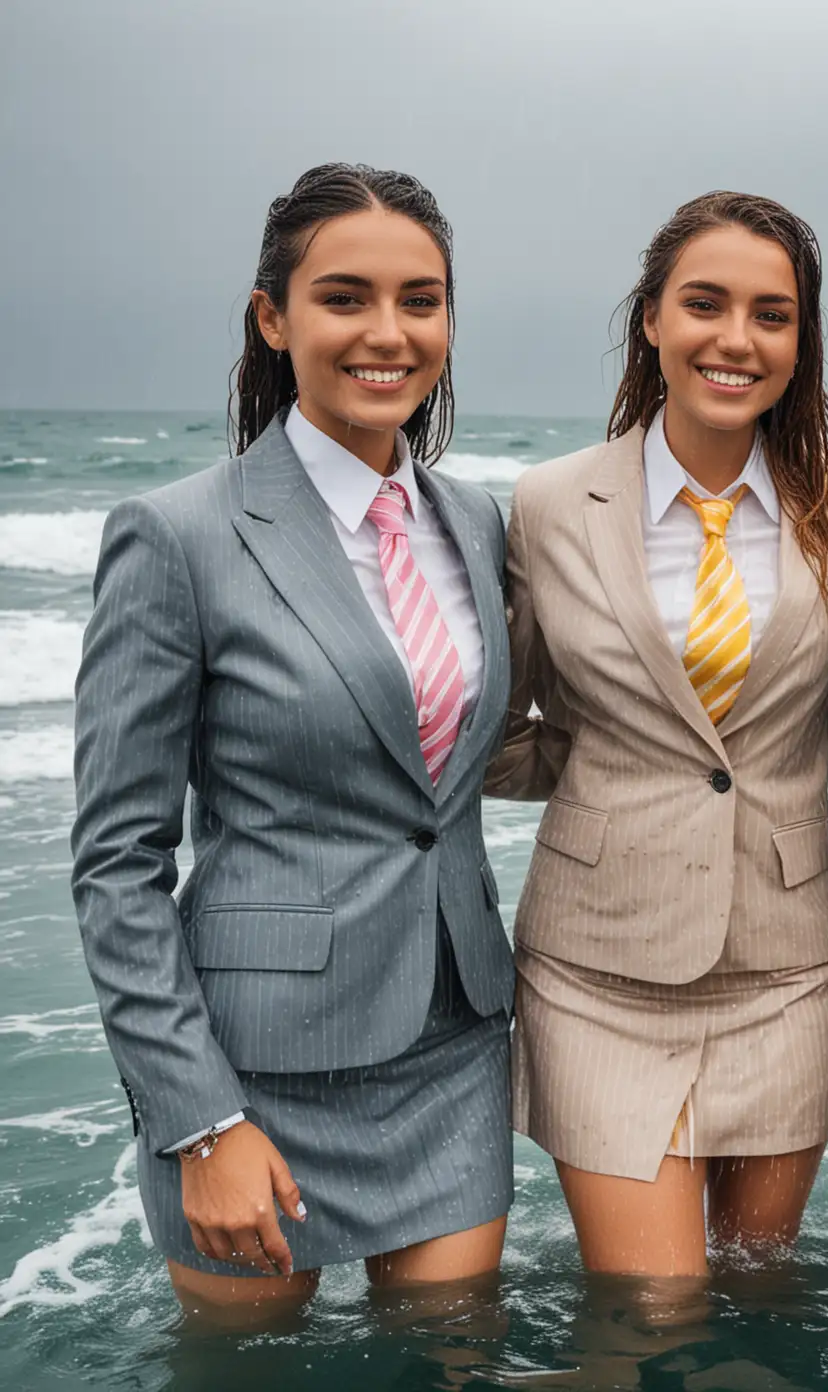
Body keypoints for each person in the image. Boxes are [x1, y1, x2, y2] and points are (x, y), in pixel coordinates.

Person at [70, 164, 514, 1315]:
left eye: (422, 300)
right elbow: (118, 863)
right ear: (274, 317)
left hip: (452, 1037)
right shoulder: (176, 536)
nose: (388, 332)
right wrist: (198, 1117)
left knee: (446, 1361)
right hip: (254, 1071)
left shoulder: (473, 521)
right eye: (345, 296)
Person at [486, 192, 828, 1277]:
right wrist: (607, 777)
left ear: (799, 340)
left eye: (771, 315)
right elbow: (500, 731)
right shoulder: (550, 505)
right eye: (705, 304)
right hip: (597, 970)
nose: (736, 340)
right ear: (650, 319)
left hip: (787, 967)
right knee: (654, 1307)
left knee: (760, 1294)